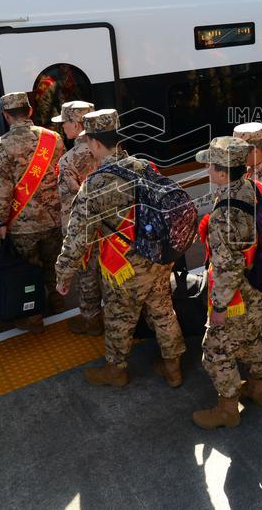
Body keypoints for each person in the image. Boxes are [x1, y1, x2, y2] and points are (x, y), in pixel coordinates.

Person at [55, 110, 185, 388]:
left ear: (95, 143)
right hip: (158, 257)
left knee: (118, 318)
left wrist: (63, 274)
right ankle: (173, 368)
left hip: (124, 268)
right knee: (163, 312)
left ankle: (115, 371)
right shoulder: (144, 165)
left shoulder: (95, 183)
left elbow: (78, 237)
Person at [192, 136, 262, 429]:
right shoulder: (251, 189)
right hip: (257, 286)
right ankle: (259, 387)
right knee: (250, 338)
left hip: (237, 293)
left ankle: (227, 408)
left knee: (215, 348)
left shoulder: (224, 213)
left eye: (211, 166)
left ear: (224, 173)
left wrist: (219, 307)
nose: (208, 170)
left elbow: (227, 266)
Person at [0, 91, 65, 333]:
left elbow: (1, 187)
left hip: (22, 224)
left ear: (5, 115)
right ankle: (58, 302)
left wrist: (1, 221)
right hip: (54, 217)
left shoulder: (1, 145)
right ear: (30, 110)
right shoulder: (54, 138)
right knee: (53, 264)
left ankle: (34, 317)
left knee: (28, 270)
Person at [52, 101, 104, 336]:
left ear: (76, 123)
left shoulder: (68, 160)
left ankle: (91, 319)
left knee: (87, 273)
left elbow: (69, 202)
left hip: (84, 227)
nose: (63, 128)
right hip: (112, 225)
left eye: (64, 123)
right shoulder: (110, 148)